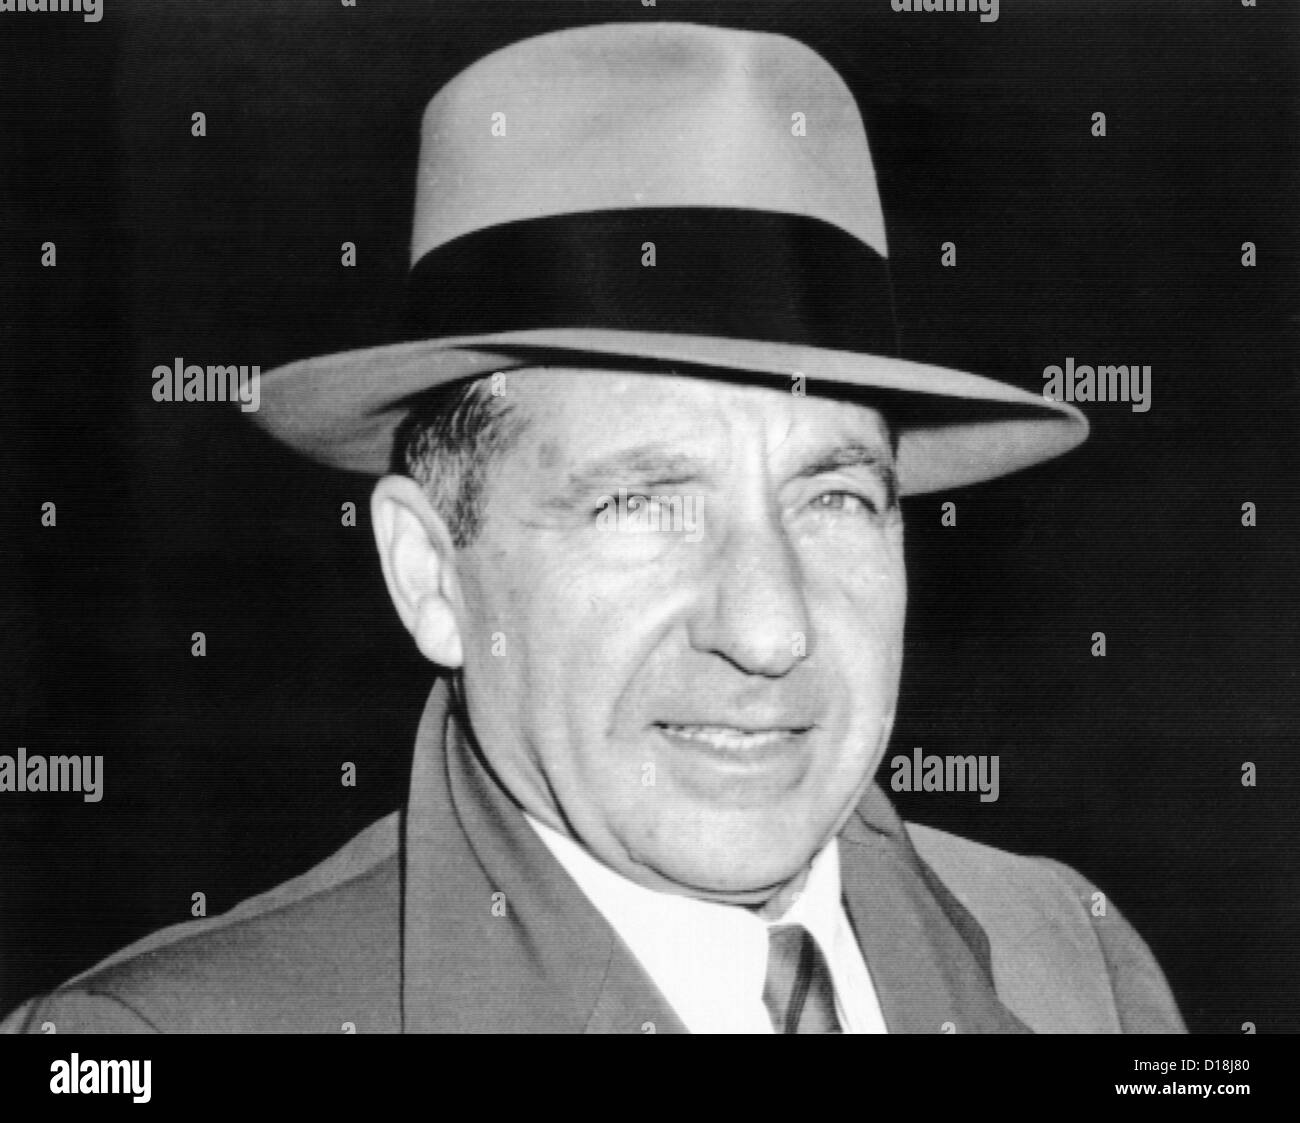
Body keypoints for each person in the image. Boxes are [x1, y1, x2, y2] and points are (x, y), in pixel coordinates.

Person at [3, 20, 1184, 1034]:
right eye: (642, 505)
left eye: (832, 498)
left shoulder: (1068, 958)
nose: (769, 630)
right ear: (431, 575)